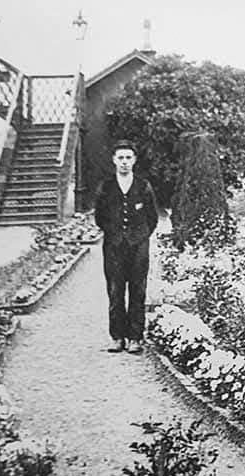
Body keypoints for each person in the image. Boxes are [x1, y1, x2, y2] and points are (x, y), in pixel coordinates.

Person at [94, 139, 159, 354]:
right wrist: (114, 234)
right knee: (115, 290)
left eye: (128, 158)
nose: (124, 162)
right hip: (113, 246)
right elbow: (99, 216)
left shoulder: (143, 185)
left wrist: (139, 236)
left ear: (134, 160)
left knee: (138, 290)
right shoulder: (106, 186)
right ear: (114, 160)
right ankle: (117, 336)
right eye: (120, 158)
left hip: (138, 245)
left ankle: (135, 337)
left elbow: (152, 217)